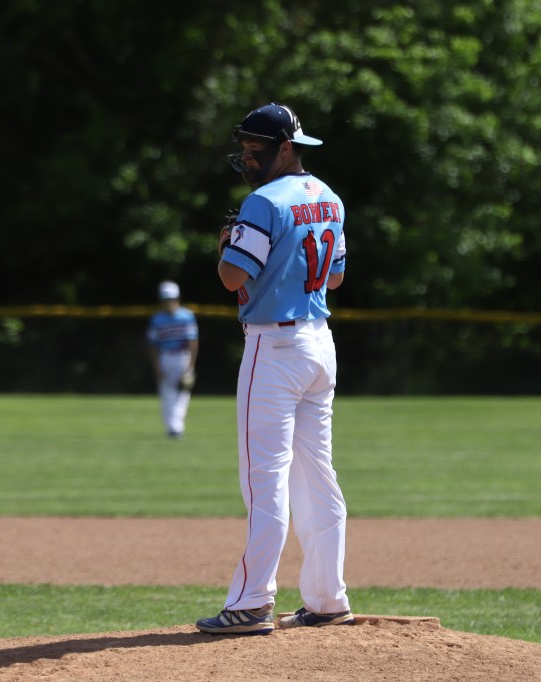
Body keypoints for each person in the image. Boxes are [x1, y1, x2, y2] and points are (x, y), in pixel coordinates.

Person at [195, 103, 351, 635]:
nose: (247, 157)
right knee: (318, 477)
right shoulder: (328, 196)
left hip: (274, 347)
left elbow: (232, 276)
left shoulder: (262, 202)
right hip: (319, 344)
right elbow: (334, 279)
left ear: (286, 148)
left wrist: (225, 247)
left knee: (264, 479)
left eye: (254, 148)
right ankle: (328, 599)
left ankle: (252, 602)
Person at [146, 281, 199, 438]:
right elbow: (152, 345)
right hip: (166, 357)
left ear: (177, 298)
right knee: (167, 392)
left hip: (183, 356)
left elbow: (193, 342)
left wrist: (191, 365)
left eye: (170, 299)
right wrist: (157, 367)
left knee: (183, 392)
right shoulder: (157, 320)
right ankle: (171, 426)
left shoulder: (186, 316)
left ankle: (176, 425)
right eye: (165, 299)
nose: (167, 302)